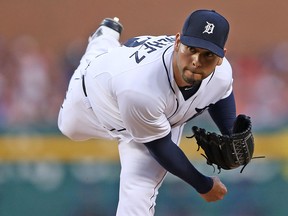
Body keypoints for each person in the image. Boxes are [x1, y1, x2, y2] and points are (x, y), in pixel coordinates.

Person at [58, 9, 235, 215]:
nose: (196, 60)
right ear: (177, 42)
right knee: (68, 128)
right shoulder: (141, 88)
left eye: (208, 54)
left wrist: (230, 132)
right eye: (191, 49)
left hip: (155, 119)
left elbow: (222, 93)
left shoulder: (221, 72)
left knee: (138, 195)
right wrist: (203, 185)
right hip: (95, 101)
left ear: (221, 56)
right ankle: (103, 40)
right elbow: (160, 147)